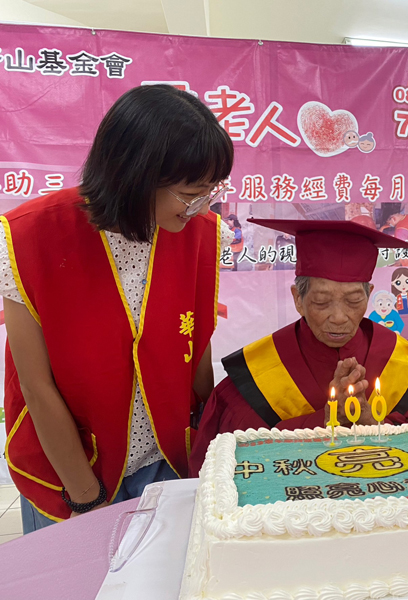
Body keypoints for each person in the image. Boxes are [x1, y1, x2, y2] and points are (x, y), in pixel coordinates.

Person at [2, 84, 234, 532]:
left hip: (165, 459)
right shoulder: (29, 236)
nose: (200, 206)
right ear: (135, 175)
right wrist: (84, 497)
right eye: (191, 192)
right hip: (72, 472)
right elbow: (34, 385)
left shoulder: (200, 231)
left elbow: (196, 343)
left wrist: (209, 442)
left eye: (210, 191)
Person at [190, 220, 408, 475]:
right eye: (321, 302)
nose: (339, 317)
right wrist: (326, 420)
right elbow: (230, 464)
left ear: (369, 294)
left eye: (353, 301)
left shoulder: (402, 362)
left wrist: (375, 426)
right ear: (298, 299)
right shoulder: (258, 371)